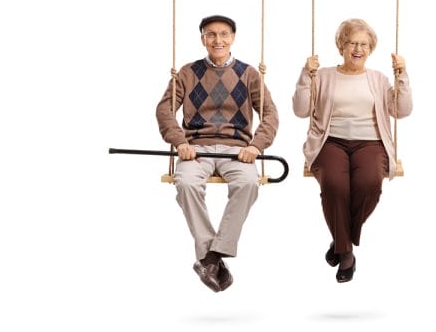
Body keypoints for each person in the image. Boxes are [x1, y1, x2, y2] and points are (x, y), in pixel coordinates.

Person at [156, 15, 279, 292]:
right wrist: (180, 142)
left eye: (224, 34)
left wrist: (255, 147)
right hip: (195, 148)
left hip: (237, 150)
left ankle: (210, 258)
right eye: (211, 35)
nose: (218, 40)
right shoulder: (187, 73)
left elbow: (270, 114)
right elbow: (164, 110)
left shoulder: (249, 74)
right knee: (186, 183)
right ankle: (211, 257)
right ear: (203, 39)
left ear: (233, 38)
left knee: (248, 183)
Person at [292, 18, 413, 283]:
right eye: (351, 43)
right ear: (341, 46)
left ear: (370, 49)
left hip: (370, 142)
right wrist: (305, 74)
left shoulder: (379, 79)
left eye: (364, 44)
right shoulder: (323, 75)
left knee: (369, 183)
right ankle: (345, 253)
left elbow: (401, 111)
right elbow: (301, 111)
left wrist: (402, 76)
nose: (358, 49)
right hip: (330, 141)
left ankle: (340, 239)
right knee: (335, 185)